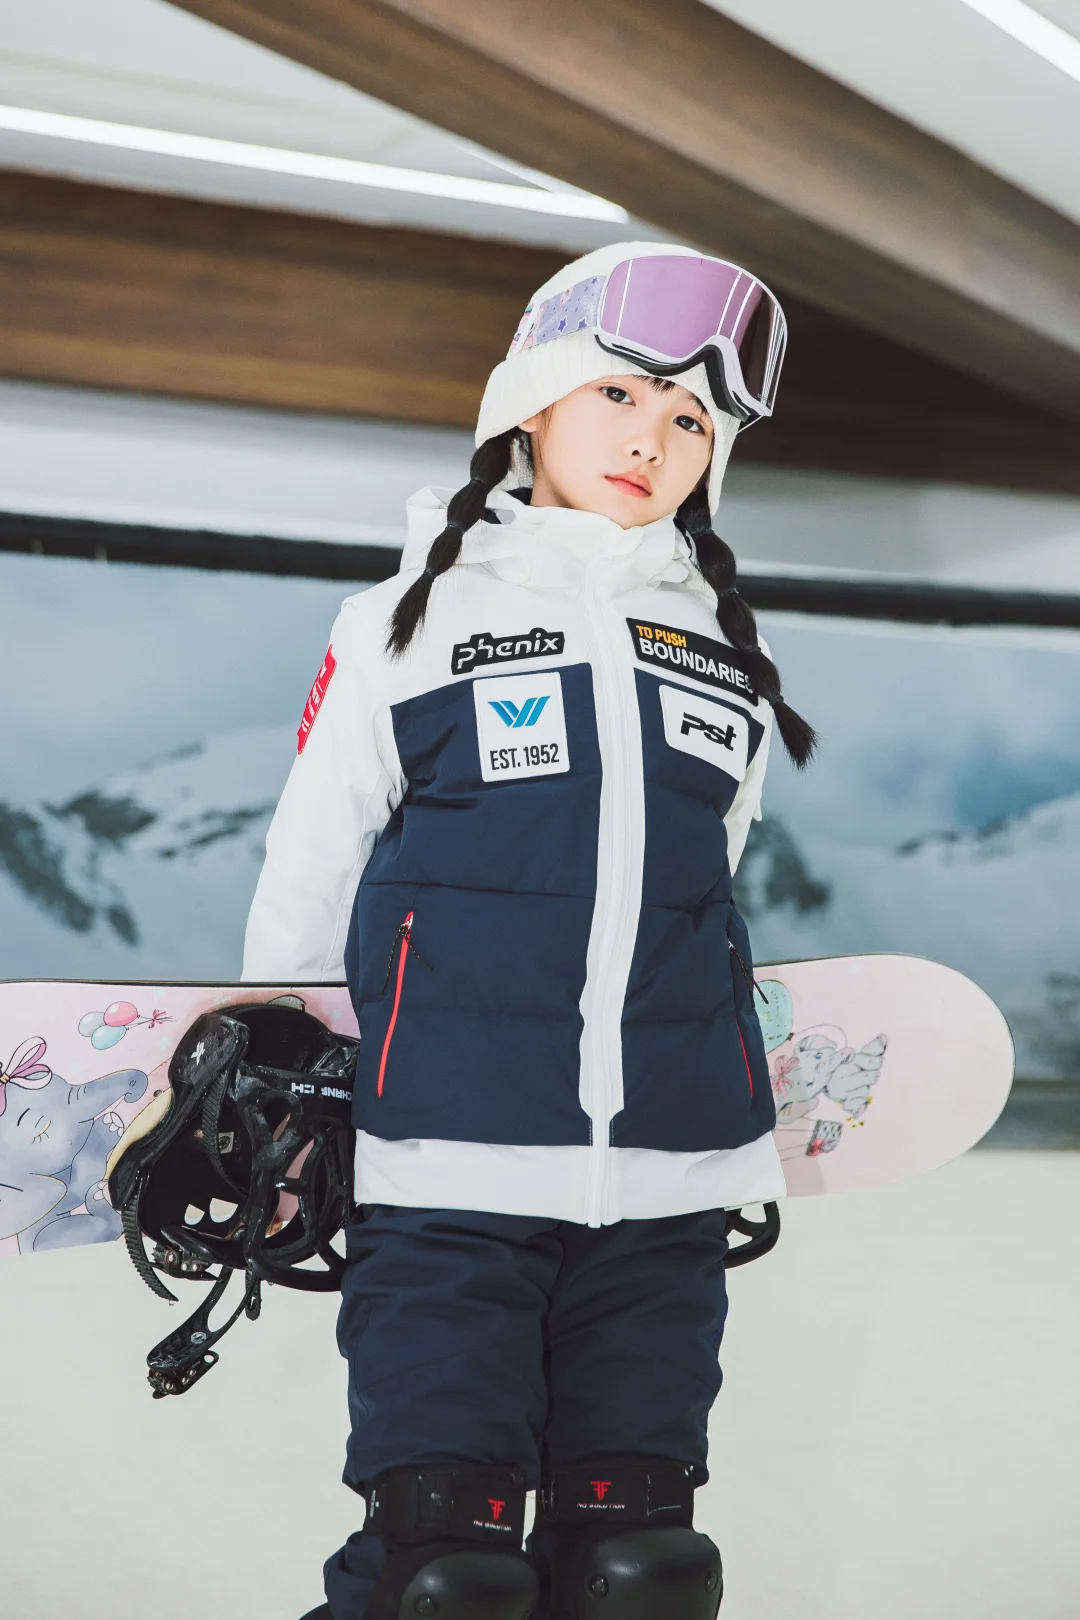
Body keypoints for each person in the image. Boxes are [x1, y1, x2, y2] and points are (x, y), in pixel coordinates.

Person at [243, 241, 814, 1620]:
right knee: (446, 1576)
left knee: (641, 1571)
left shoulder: (723, 657)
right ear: (532, 405)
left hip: (670, 1179)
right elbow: (312, 871)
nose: (652, 441)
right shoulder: (407, 623)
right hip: (449, 1166)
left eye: (691, 422)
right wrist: (280, 1084)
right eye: (619, 397)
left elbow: (703, 892)